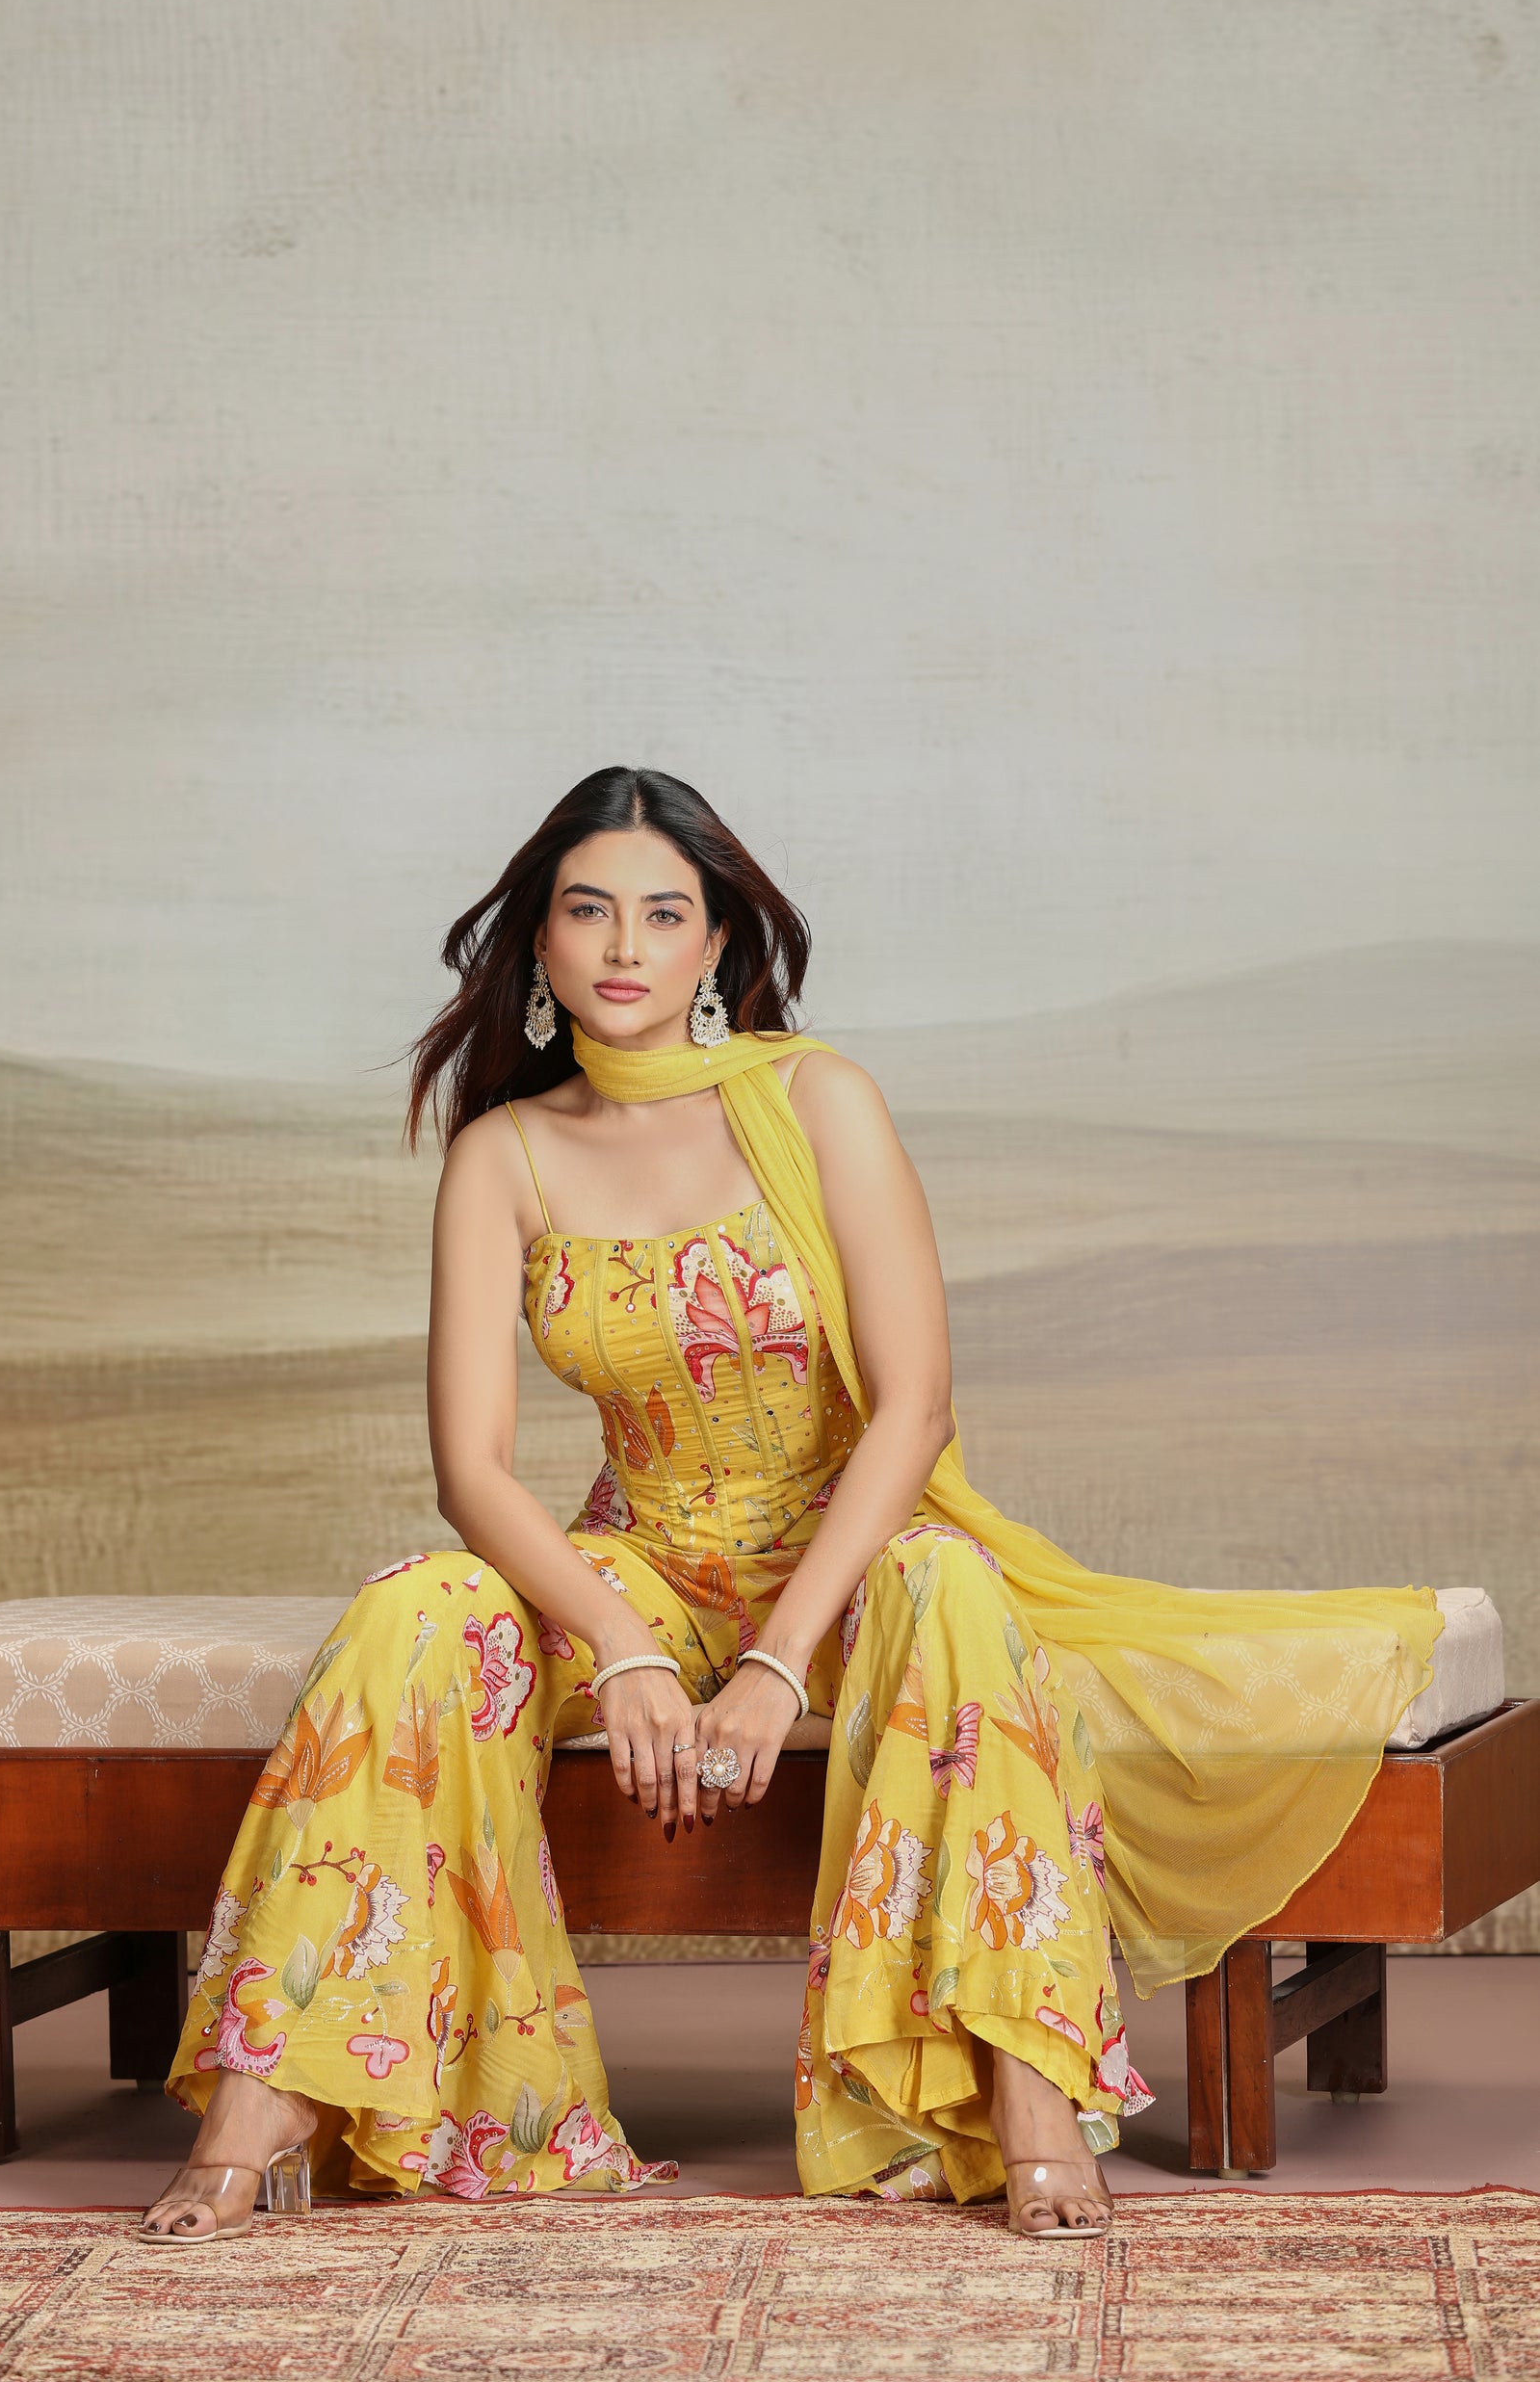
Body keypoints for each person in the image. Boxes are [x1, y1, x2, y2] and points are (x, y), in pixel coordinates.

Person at [138, 767, 1441, 2244]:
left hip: (842, 1548)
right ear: (540, 944)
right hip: (632, 1558)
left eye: (662, 913)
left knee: (949, 1595)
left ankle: (1019, 2098)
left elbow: (915, 1408)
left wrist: (770, 1665)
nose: (624, 944)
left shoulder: (813, 1099)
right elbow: (473, 1474)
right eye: (587, 911)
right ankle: (269, 2108)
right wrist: (621, 1648)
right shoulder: (503, 1152)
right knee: (410, 1608)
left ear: (714, 946)